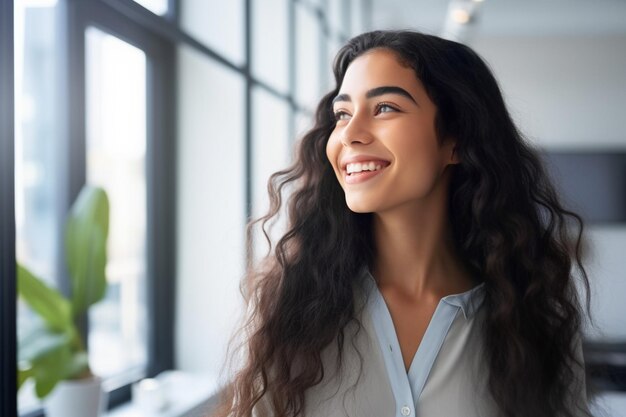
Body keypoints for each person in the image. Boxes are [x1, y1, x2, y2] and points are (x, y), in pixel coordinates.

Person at [213, 30, 593, 417]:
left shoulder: (535, 313)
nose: (349, 135)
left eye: (385, 109)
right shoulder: (291, 306)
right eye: (342, 114)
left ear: (456, 140)